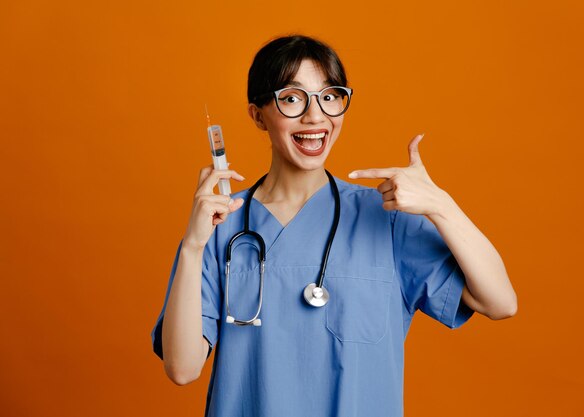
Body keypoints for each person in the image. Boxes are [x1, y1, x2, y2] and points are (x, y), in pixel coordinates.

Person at [151, 35, 517, 417]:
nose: (315, 116)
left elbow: (501, 302)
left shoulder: (386, 217)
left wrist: (442, 205)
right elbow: (182, 368)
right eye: (292, 98)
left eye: (330, 96)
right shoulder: (221, 225)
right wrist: (193, 246)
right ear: (258, 115)